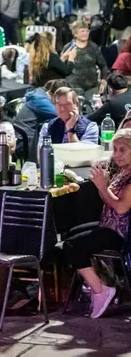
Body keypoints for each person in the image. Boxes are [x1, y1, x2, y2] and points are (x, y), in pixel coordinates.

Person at [62, 128, 131, 318]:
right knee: (70, 234)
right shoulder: (124, 172)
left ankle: (101, 290)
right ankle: (84, 288)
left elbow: (120, 208)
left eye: (122, 150)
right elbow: (107, 198)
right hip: (108, 225)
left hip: (120, 233)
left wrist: (103, 187)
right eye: (115, 149)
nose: (117, 155)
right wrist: (103, 187)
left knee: (72, 246)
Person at [61, 20, 109, 96]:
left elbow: (103, 65)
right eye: (82, 31)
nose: (85, 33)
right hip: (72, 87)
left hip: (91, 87)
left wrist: (103, 81)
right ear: (75, 34)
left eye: (87, 31)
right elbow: (61, 67)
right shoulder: (68, 47)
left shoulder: (94, 47)